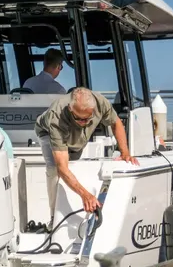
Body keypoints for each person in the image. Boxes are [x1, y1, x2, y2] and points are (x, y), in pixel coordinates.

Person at [34, 87, 139, 217]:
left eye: (87, 119)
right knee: (55, 169)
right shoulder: (57, 116)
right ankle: (54, 217)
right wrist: (85, 195)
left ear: (93, 110)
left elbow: (116, 122)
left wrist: (125, 153)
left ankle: (79, 207)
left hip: (76, 136)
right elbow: (62, 168)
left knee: (75, 165)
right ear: (70, 108)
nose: (83, 123)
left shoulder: (101, 102)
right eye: (79, 119)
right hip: (46, 132)